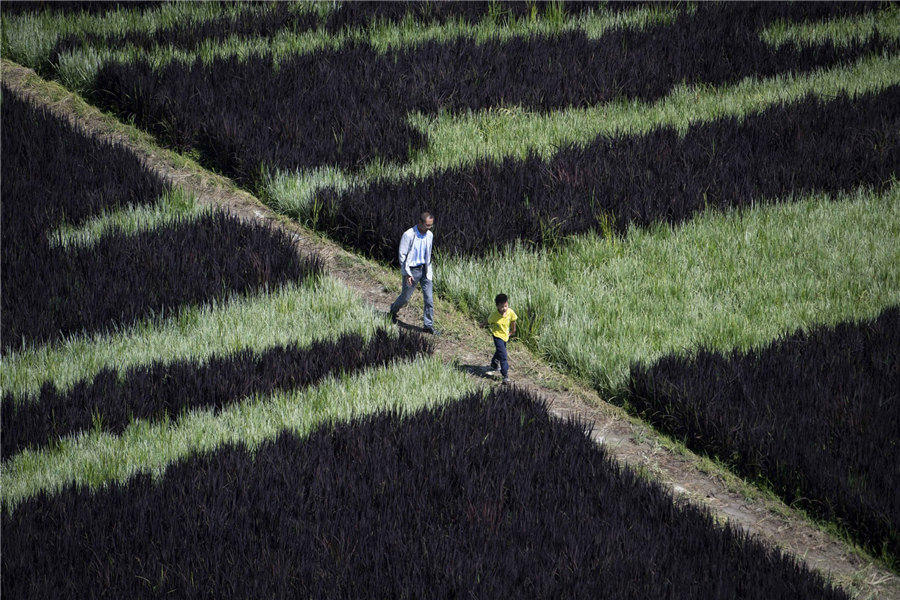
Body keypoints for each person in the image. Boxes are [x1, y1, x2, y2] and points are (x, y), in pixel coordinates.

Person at [389, 212, 436, 334]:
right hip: (412, 270)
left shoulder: (429, 235)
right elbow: (402, 255)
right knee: (405, 298)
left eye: (430, 225)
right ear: (420, 222)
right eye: (427, 225)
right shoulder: (408, 235)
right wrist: (407, 273)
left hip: (425, 269)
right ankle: (393, 310)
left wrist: (428, 268)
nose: (429, 228)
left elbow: (428, 253)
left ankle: (428, 325)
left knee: (429, 299)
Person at [485, 293, 517, 384]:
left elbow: (513, 320)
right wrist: (481, 325)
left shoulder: (510, 312)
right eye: (502, 307)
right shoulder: (494, 315)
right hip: (497, 336)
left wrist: (513, 330)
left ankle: (494, 364)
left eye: (506, 306)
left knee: (500, 351)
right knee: (503, 355)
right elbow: (488, 321)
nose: (504, 309)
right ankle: (505, 375)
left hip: (505, 336)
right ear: (497, 306)